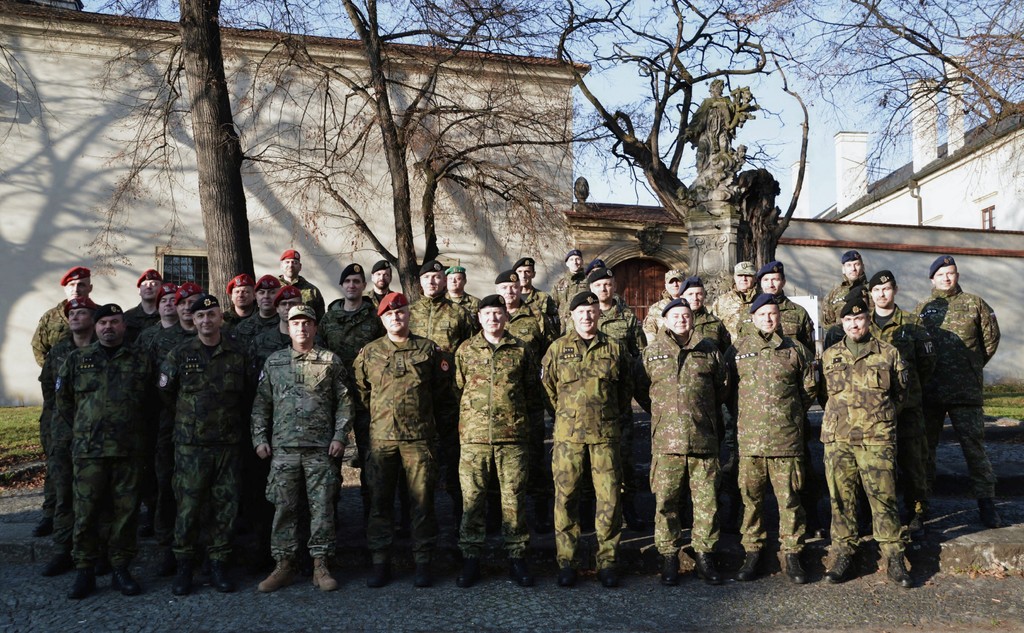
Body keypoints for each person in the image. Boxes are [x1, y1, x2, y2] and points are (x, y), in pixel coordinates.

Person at [353, 292, 455, 588]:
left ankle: (423, 561)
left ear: (409, 315)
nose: (395, 317)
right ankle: (380, 562)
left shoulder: (428, 350)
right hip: (383, 440)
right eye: (389, 314)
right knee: (380, 502)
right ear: (382, 319)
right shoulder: (369, 353)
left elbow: (442, 393)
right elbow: (362, 393)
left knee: (422, 502)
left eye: (400, 313)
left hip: (419, 439)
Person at [55, 304, 154, 599]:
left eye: (114, 322)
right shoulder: (77, 360)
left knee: (126, 514)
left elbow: (152, 402)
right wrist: (86, 429)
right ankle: (84, 570)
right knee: (86, 512)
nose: (108, 327)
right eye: (103, 323)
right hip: (89, 451)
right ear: (96, 328)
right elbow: (64, 402)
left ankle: (121, 568)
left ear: (124, 326)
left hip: (129, 450)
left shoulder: (141, 359)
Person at [252, 305, 352, 593]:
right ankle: (283, 565)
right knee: (284, 508)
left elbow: (345, 402)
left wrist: (340, 436)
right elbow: (261, 405)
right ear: (289, 326)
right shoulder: (275, 363)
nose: (301, 328)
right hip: (283, 450)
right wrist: (259, 439)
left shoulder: (330, 361)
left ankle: (320, 565)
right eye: (296, 323)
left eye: (307, 323)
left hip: (320, 449)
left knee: (322, 509)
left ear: (315, 328)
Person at [541, 291, 633, 589]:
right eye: (580, 311)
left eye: (591, 310)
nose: (587, 315)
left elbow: (624, 392)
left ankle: (607, 561)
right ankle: (567, 561)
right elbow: (548, 391)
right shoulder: (556, 349)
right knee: (565, 498)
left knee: (609, 499)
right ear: (572, 315)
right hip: (568, 438)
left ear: (598, 314)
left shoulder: (615, 349)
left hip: (605, 437)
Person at [820, 294, 912, 588]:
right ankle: (844, 553)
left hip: (876, 438)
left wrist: (879, 420)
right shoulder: (829, 355)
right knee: (840, 500)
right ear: (842, 323)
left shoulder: (889, 353)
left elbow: (900, 395)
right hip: (839, 439)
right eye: (848, 320)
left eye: (858, 319)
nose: (853, 324)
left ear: (868, 320)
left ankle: (894, 557)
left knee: (883, 499)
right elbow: (823, 396)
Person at [635, 298, 728, 586]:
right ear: (665, 320)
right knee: (666, 501)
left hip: (703, 439)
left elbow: (722, 388)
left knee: (707, 502)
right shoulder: (651, 353)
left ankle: (704, 556)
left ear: (693, 318)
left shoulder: (709, 350)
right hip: (667, 443)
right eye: (675, 316)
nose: (681, 320)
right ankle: (669, 556)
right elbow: (641, 389)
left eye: (685, 315)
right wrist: (665, 415)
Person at [159, 294, 248, 595]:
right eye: (200, 316)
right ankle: (185, 566)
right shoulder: (180, 354)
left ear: (221, 318)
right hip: (191, 446)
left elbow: (249, 393)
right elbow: (166, 394)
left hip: (228, 444)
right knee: (189, 506)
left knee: (225, 505)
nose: (206, 320)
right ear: (193, 320)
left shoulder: (238, 353)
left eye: (211, 315)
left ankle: (219, 564)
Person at [727, 294, 816, 584]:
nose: (768, 318)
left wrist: (788, 416)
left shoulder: (796, 350)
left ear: (779, 317)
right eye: (762, 314)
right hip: (750, 441)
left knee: (789, 500)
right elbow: (725, 390)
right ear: (752, 317)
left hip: (785, 441)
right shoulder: (737, 350)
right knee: (750, 501)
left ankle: (793, 553)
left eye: (773, 313)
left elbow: (808, 391)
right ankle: (752, 551)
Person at [453, 294, 540, 588]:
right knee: (473, 500)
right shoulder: (465, 350)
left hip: (512, 440)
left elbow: (531, 393)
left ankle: (517, 558)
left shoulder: (521, 350)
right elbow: (457, 389)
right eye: (487, 313)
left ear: (505, 316)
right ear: (479, 318)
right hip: (474, 440)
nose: (493, 318)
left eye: (497, 313)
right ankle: (470, 560)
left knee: (513, 501)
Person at [916, 255, 1002, 528]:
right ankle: (921, 505)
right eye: (941, 274)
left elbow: (991, 340)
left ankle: (987, 504)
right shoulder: (922, 308)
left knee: (974, 449)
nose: (946, 278)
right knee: (925, 450)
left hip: (965, 391)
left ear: (957, 275)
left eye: (951, 273)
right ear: (932, 279)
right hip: (931, 392)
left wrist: (971, 366)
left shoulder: (975, 304)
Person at [135, 282, 201, 575]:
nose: (186, 307)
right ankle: (167, 544)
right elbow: (151, 382)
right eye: (181, 302)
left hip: (207, 426)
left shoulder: (212, 337)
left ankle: (202, 543)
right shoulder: (160, 338)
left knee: (202, 487)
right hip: (166, 422)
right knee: (167, 483)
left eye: (192, 302)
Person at [868, 270, 935, 536]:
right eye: (876, 290)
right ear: (870, 294)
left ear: (894, 290)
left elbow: (927, 364)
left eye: (886, 289)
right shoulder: (864, 323)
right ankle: (881, 510)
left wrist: (910, 390)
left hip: (907, 407)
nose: (881, 294)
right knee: (877, 462)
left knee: (912, 459)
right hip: (873, 408)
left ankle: (917, 509)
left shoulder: (913, 323)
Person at [409, 260, 475, 529]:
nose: (433, 282)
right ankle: (420, 521)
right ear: (420, 282)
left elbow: (471, 351)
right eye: (428, 278)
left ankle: (462, 518)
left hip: (450, 398)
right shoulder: (408, 313)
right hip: (417, 399)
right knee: (418, 464)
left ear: (445, 281)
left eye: (437, 278)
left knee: (454, 459)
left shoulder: (459, 314)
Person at [319, 263, 386, 518]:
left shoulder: (375, 317)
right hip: (334, 401)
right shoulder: (329, 318)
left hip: (367, 400)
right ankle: (332, 519)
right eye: (347, 281)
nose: (352, 285)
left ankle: (373, 518)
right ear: (341, 286)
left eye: (357, 281)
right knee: (331, 461)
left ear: (363, 286)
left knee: (371, 462)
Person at [38, 297, 97, 577]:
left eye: (81, 312)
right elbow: (50, 391)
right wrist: (56, 425)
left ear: (92, 318)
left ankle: (94, 551)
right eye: (72, 313)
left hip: (96, 435)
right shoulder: (59, 350)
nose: (75, 317)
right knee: (64, 494)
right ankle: (63, 550)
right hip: (63, 433)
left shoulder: (102, 349)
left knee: (96, 495)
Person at [589, 267, 646, 531]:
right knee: (591, 460)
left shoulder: (628, 318)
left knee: (624, 458)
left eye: (608, 284)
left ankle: (630, 509)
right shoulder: (584, 315)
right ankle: (594, 511)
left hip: (620, 400)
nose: (603, 289)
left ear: (614, 286)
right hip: (590, 401)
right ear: (592, 288)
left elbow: (639, 355)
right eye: (599, 285)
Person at [495, 269, 551, 531]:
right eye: (505, 288)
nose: (509, 292)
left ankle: (540, 514)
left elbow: (550, 350)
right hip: (499, 403)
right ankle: (501, 516)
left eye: (513, 287)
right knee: (501, 460)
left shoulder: (536, 316)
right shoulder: (488, 315)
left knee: (535, 455)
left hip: (531, 399)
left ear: (521, 289)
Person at [742, 261, 814, 352]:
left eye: (775, 280)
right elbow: (741, 346)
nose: (770, 284)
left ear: (783, 282)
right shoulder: (747, 313)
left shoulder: (799, 313)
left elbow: (809, 349)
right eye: (766, 280)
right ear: (760, 282)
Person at [32, 266, 93, 367]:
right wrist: (53, 371)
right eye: (71, 285)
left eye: (81, 285)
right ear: (65, 288)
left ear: (90, 288)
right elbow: (39, 348)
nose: (76, 289)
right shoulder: (51, 316)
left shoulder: (101, 315)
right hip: (60, 379)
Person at [709, 261, 758, 340]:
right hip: (731, 350)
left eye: (748, 275)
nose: (744, 279)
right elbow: (713, 329)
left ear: (755, 278)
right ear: (735, 277)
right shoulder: (721, 302)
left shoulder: (764, 301)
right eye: (740, 275)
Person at [680, 276, 731, 353]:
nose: (695, 298)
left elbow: (726, 353)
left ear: (704, 296)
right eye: (690, 294)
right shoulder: (674, 322)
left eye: (699, 294)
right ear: (682, 297)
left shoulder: (715, 323)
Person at [514, 256, 561, 337]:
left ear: (533, 274)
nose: (523, 275)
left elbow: (555, 326)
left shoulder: (544, 298)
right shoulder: (510, 298)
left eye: (527, 271)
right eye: (519, 271)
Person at [821, 250, 869, 327]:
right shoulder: (833, 294)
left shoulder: (874, 290)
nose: (853, 268)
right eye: (849, 265)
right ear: (843, 269)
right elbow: (827, 323)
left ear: (863, 267)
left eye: (856, 264)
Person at [231, 275, 281, 343]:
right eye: (262, 292)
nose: (266, 296)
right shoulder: (243, 327)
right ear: (255, 296)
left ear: (279, 296)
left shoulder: (288, 324)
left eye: (272, 292)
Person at [278, 249, 325, 321]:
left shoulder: (312, 291)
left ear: (300, 267)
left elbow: (320, 319)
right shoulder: (273, 289)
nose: (291, 265)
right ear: (281, 266)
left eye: (294, 262)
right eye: (287, 262)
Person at [642, 269, 684, 343]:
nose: (675, 284)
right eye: (671, 282)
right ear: (666, 286)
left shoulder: (692, 305)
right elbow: (650, 332)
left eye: (678, 281)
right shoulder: (656, 308)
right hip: (664, 351)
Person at [124, 269, 162, 343]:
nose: (148, 287)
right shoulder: (127, 317)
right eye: (144, 284)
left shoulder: (167, 316)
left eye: (154, 284)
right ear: (139, 291)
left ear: (161, 289)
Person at [552, 248, 588, 318]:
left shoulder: (588, 282)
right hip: (563, 325)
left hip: (582, 321)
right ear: (567, 263)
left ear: (582, 262)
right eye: (571, 259)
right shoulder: (559, 284)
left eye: (577, 259)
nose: (575, 262)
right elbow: (553, 307)